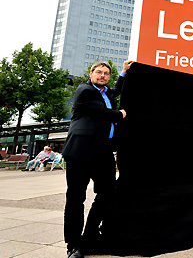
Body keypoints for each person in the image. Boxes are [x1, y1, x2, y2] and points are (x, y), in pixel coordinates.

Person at [63, 60, 133, 258]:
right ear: (91, 73)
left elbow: (116, 91)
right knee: (76, 199)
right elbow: (104, 113)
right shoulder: (85, 90)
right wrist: (121, 114)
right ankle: (73, 245)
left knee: (108, 192)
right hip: (80, 152)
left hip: (103, 152)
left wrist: (124, 73)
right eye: (99, 72)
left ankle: (90, 232)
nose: (102, 76)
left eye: (106, 73)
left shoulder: (105, 93)